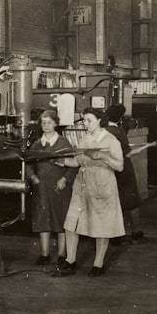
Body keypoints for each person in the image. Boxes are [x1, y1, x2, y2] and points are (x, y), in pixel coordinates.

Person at [55, 107, 125, 277]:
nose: (85, 124)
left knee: (101, 226)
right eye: (84, 120)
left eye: (89, 120)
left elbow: (120, 166)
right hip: (82, 185)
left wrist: (104, 157)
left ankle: (98, 263)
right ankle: (70, 260)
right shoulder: (84, 139)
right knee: (71, 223)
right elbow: (78, 162)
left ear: (99, 120)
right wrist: (61, 160)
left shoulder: (111, 140)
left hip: (102, 186)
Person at [27, 109, 77, 265]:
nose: (46, 125)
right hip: (41, 188)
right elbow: (28, 163)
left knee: (60, 220)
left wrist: (65, 179)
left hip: (59, 188)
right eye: (43, 123)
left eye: (49, 122)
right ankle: (44, 254)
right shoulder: (37, 144)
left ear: (56, 123)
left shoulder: (63, 143)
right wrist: (33, 177)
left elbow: (74, 166)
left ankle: (62, 255)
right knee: (43, 220)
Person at [103, 103, 143, 244]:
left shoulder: (102, 130)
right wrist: (146, 146)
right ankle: (135, 232)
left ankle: (114, 235)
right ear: (120, 118)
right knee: (131, 201)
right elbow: (128, 153)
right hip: (123, 169)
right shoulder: (119, 131)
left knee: (113, 201)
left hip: (107, 167)